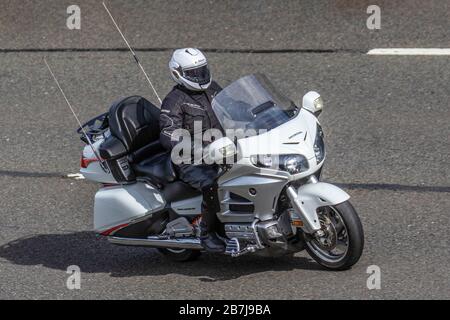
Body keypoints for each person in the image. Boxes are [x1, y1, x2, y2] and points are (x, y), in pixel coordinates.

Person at [159, 48, 225, 252]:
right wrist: (198, 148)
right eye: (194, 73)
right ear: (177, 73)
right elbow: (168, 133)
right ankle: (207, 233)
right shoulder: (174, 100)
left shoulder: (212, 88)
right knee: (213, 183)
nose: (200, 76)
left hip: (221, 149)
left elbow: (233, 106)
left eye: (202, 70)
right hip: (191, 160)